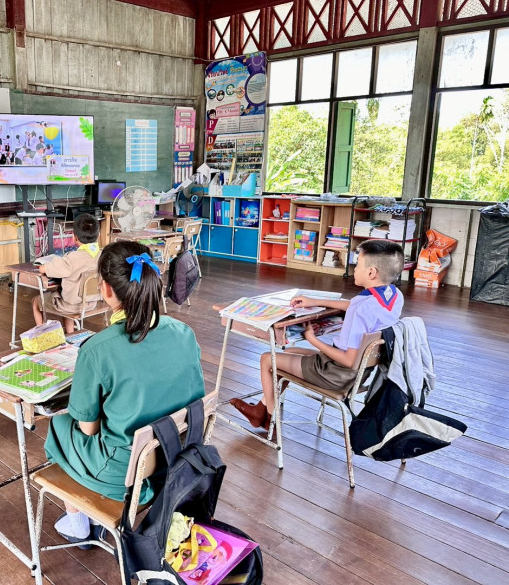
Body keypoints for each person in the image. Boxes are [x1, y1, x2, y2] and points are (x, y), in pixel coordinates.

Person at [44, 240, 205, 546]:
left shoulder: (96, 350)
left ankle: (79, 523)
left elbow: (88, 429)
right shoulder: (183, 332)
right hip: (178, 456)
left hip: (125, 471)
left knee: (59, 426)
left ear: (106, 289)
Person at [230, 240, 405, 431]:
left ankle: (270, 421)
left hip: (335, 374)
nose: (354, 269)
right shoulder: (394, 296)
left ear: (371, 273)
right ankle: (260, 410)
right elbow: (352, 305)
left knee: (267, 358)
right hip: (360, 374)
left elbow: (349, 360)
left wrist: (313, 339)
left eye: (358, 265)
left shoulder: (361, 310)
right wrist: (314, 301)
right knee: (289, 353)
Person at [32, 213, 101, 334]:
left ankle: (42, 336)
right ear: (98, 235)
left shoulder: (72, 258)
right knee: (65, 294)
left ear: (74, 237)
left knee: (36, 301)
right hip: (91, 303)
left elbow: (45, 269)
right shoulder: (102, 255)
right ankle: (70, 334)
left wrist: (43, 266)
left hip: (70, 306)